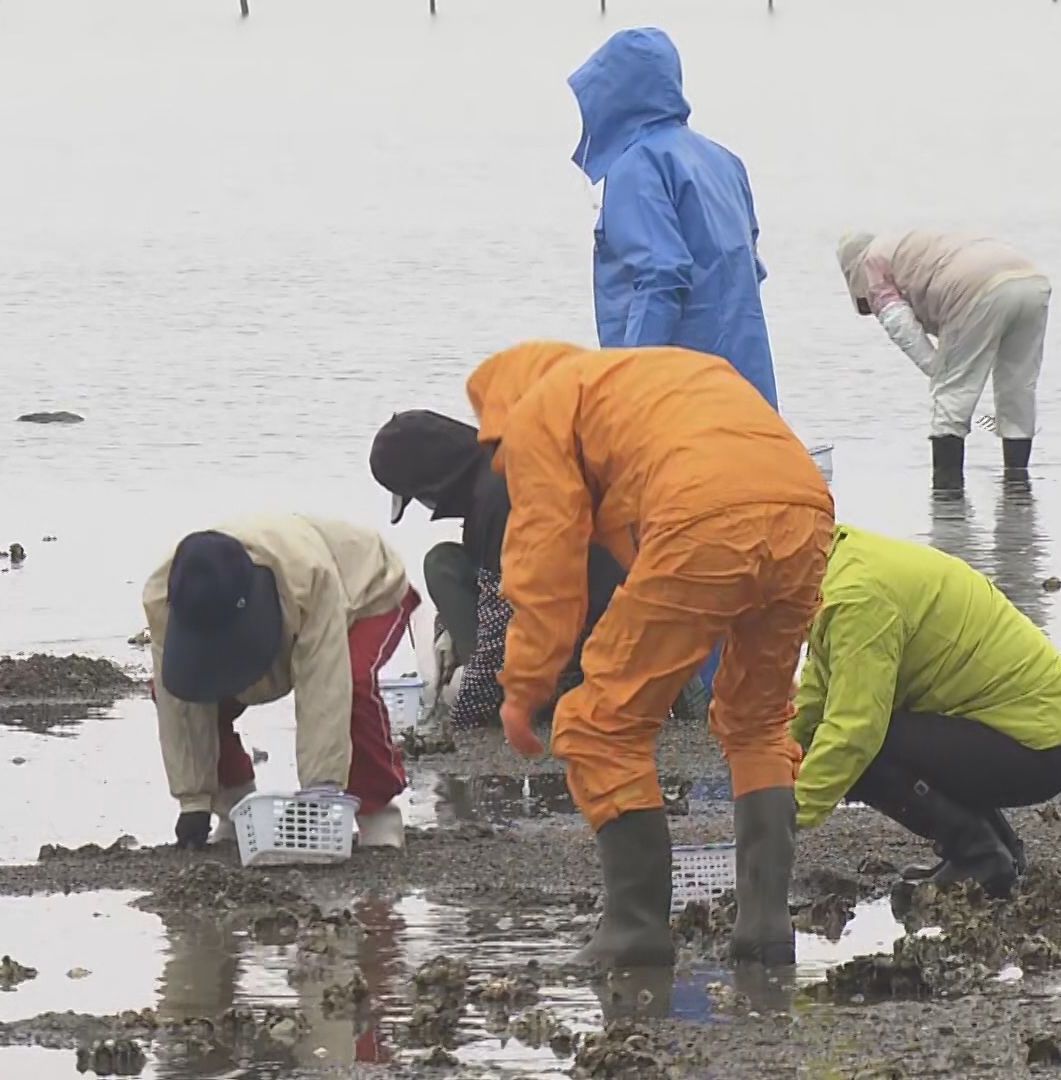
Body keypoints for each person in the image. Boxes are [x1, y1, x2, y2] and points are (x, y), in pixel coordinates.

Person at [467, 340, 833, 970]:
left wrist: (524, 687)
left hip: (705, 515)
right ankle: (766, 928)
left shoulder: (540, 411)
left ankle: (634, 929)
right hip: (807, 512)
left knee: (600, 723)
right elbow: (629, 539)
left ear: (503, 405)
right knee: (759, 720)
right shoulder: (645, 379)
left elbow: (545, 564)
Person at [791, 524, 1061, 897]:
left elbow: (855, 730)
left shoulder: (855, 598)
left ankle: (979, 856)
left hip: (1041, 745)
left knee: (868, 748)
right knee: (865, 737)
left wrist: (786, 816)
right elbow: (822, 684)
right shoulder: (842, 560)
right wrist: (785, 756)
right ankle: (999, 850)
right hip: (1038, 727)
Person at [143, 514, 416, 851]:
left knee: (353, 682)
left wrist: (321, 789)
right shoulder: (166, 596)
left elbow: (325, 686)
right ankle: (236, 809)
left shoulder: (309, 577)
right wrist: (193, 801)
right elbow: (177, 701)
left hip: (364, 588)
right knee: (192, 686)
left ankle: (379, 818)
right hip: (255, 601)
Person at [368, 409, 640, 730]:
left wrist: (462, 724)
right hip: (618, 609)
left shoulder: (498, 501)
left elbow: (498, 640)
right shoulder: (503, 464)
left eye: (420, 497)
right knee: (447, 558)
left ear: (434, 481)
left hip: (597, 638)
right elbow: (488, 574)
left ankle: (534, 694)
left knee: (440, 565)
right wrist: (446, 630)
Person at [567, 27, 778, 409]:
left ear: (614, 97)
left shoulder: (637, 165)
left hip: (680, 397)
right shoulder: (725, 162)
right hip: (746, 391)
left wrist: (629, 386)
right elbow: (750, 271)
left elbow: (662, 276)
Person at [835, 230, 1052, 489]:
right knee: (1018, 387)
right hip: (1032, 281)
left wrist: (937, 367)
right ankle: (1018, 486)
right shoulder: (910, 245)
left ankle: (948, 499)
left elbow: (898, 322)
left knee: (952, 397)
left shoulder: (871, 263)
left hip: (976, 288)